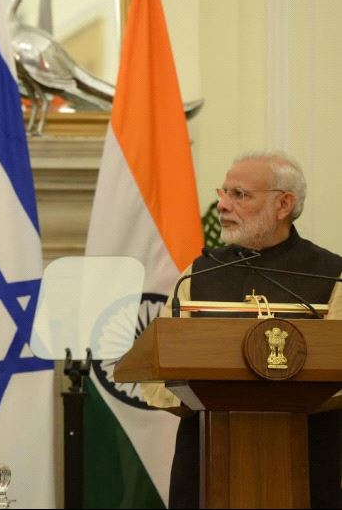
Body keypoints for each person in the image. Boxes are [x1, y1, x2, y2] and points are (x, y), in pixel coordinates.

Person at [144, 151, 342, 509]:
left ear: (283, 204)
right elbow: (156, 372)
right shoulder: (198, 274)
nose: (223, 205)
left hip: (306, 454)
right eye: (224, 193)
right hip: (208, 453)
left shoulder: (332, 275)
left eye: (240, 194)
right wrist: (206, 394)